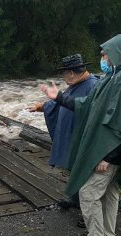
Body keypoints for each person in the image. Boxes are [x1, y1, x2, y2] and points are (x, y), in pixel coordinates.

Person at [41, 33, 121, 236]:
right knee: (109, 194)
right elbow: (89, 104)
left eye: (105, 54)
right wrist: (59, 98)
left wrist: (109, 157)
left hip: (110, 152)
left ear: (117, 53)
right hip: (108, 150)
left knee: (88, 194)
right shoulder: (114, 78)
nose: (102, 57)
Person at [30, 54, 98, 209]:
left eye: (64, 73)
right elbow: (61, 101)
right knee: (75, 167)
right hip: (73, 136)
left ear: (72, 73)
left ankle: (88, 211)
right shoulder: (76, 85)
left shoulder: (93, 86)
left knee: (85, 172)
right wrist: (41, 107)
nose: (63, 77)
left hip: (84, 137)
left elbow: (90, 110)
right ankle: (75, 199)